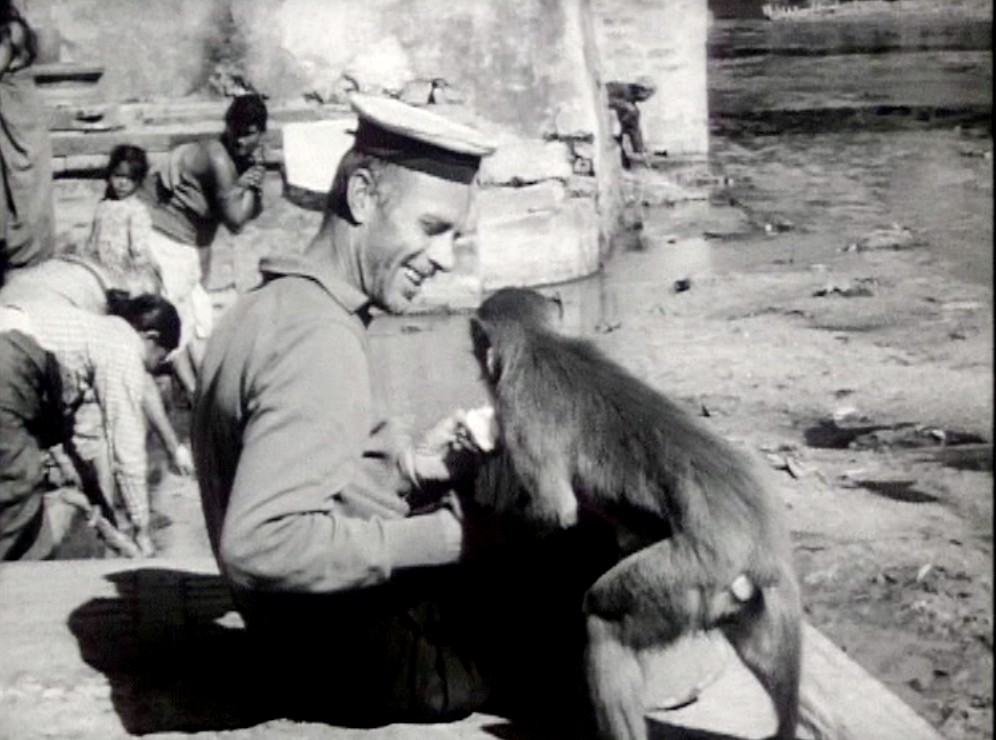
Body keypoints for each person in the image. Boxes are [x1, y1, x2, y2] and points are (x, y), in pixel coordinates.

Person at [193, 94, 624, 727]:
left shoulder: (268, 305)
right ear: (363, 196)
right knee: (585, 545)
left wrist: (412, 469)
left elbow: (307, 469)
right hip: (374, 667)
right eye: (431, 228)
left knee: (508, 485)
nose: (446, 259)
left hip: (307, 639)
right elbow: (260, 544)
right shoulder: (317, 339)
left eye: (455, 237)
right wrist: (455, 539)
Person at [0, 294, 180, 560]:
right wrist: (141, 529)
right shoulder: (124, 348)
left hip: (12, 340)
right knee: (19, 484)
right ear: (151, 338)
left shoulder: (94, 333)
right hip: (9, 355)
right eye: (161, 358)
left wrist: (94, 501)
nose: (156, 368)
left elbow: (64, 435)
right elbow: (126, 446)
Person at [0, 257, 195, 479]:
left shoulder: (85, 270)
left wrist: (173, 447)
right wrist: (173, 449)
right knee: (96, 428)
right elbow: (135, 378)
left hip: (15, 319)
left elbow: (139, 374)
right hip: (17, 348)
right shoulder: (100, 309)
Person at [139, 93, 268, 397]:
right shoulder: (217, 157)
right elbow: (236, 221)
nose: (240, 140)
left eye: (249, 133)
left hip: (188, 247)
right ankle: (198, 397)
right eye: (236, 130)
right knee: (179, 324)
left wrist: (251, 186)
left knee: (200, 323)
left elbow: (250, 212)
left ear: (261, 132)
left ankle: (206, 398)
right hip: (161, 238)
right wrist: (251, 184)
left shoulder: (244, 159)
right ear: (227, 126)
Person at [0, 0, 54, 283]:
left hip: (18, 114)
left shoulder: (11, 30)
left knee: (26, 187)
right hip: (7, 112)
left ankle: (25, 260)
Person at [76, 144, 161, 296]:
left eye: (130, 178)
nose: (122, 183)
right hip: (100, 268)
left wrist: (142, 276)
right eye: (118, 176)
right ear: (110, 175)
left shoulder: (136, 210)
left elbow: (139, 247)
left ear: (139, 181)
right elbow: (94, 238)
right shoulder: (103, 205)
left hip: (125, 273)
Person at [607, 76, 657, 167]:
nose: (646, 99)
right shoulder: (620, 89)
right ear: (641, 90)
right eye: (648, 95)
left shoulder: (632, 106)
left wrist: (640, 150)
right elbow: (600, 98)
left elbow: (634, 129)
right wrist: (624, 105)